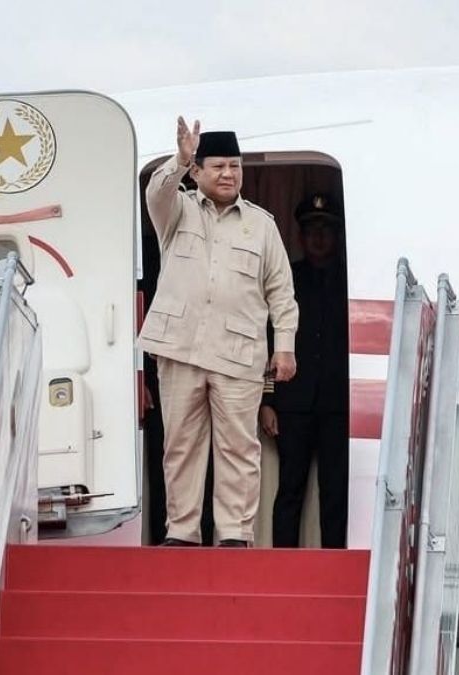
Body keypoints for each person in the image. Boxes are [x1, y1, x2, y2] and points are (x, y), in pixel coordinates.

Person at [138, 117, 298, 547]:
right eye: (218, 166)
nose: (228, 174)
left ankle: (234, 534)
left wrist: (285, 346)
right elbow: (155, 192)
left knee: (239, 449)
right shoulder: (176, 210)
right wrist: (179, 158)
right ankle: (182, 531)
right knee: (180, 445)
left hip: (238, 352)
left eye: (235, 166)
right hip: (180, 347)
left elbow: (281, 291)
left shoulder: (261, 224)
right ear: (197, 171)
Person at [261, 193, 350, 549]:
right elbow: (267, 340)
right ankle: (282, 565)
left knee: (335, 492)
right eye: (311, 230)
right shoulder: (287, 280)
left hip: (338, 406)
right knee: (289, 490)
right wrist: (267, 401)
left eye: (326, 229)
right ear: (300, 236)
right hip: (292, 403)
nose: (318, 237)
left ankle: (335, 564)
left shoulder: (349, 281)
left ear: (337, 234)